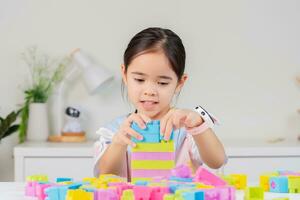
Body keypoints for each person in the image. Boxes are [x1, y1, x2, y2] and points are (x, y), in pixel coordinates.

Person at [93, 27, 226, 179]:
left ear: (180, 83)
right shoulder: (115, 130)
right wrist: (118, 143)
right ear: (124, 74)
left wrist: (198, 124)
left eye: (162, 83)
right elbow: (104, 175)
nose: (149, 91)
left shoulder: (187, 129)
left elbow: (217, 161)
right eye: (139, 80)